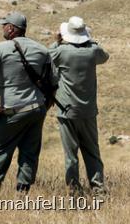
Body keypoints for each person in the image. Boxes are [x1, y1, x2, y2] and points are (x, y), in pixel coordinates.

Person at [0, 12, 50, 193]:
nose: (2, 28)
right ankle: (22, 194)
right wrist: (44, 107)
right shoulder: (42, 50)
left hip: (12, 110)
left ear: (11, 28)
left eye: (4, 25)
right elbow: (53, 82)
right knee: (29, 153)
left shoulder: (1, 48)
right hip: (36, 108)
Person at [49, 16, 109, 195]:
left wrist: (56, 41)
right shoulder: (93, 51)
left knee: (71, 154)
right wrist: (90, 40)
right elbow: (105, 56)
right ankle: (98, 187)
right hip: (89, 110)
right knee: (92, 151)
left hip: (67, 110)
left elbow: (46, 56)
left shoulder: (61, 51)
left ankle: (74, 190)